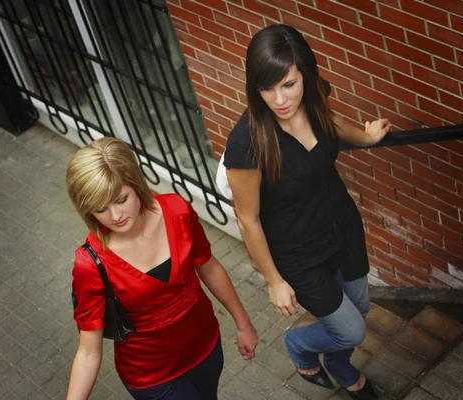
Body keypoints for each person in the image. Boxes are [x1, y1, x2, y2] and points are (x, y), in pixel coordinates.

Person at [223, 24, 392, 400]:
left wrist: (366, 137)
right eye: (267, 87)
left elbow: (328, 122)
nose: (279, 99)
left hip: (341, 224)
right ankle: (301, 345)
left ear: (306, 75)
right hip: (298, 252)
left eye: (289, 84)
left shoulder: (313, 96)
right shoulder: (246, 145)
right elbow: (247, 219)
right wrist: (273, 280)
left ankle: (336, 363)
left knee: (360, 307)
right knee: (351, 330)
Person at [65, 137, 258, 400]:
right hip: (153, 377)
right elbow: (88, 350)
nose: (115, 216)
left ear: (135, 184)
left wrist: (243, 322)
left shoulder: (178, 211)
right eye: (100, 209)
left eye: (121, 199)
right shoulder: (89, 264)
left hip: (206, 348)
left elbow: (209, 267)